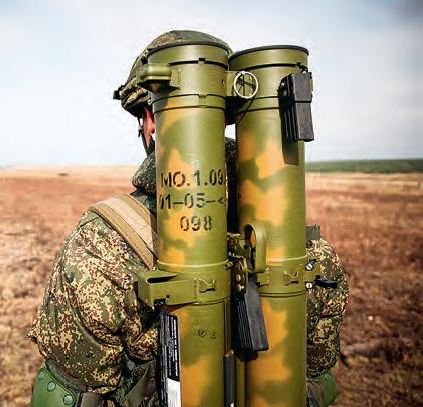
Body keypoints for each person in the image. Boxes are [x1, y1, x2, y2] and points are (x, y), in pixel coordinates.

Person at [28, 30, 348, 407]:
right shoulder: (306, 252)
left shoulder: (99, 246)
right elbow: (317, 382)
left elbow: (64, 398)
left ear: (151, 117)